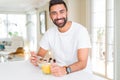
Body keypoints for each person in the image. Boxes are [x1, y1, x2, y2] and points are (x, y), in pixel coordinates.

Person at [30, 0, 91, 77]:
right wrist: (36, 60)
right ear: (50, 16)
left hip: (82, 75)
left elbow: (82, 63)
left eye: (61, 12)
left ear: (67, 13)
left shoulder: (81, 31)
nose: (58, 17)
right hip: (60, 74)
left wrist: (66, 70)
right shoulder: (49, 33)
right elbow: (40, 56)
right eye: (54, 13)